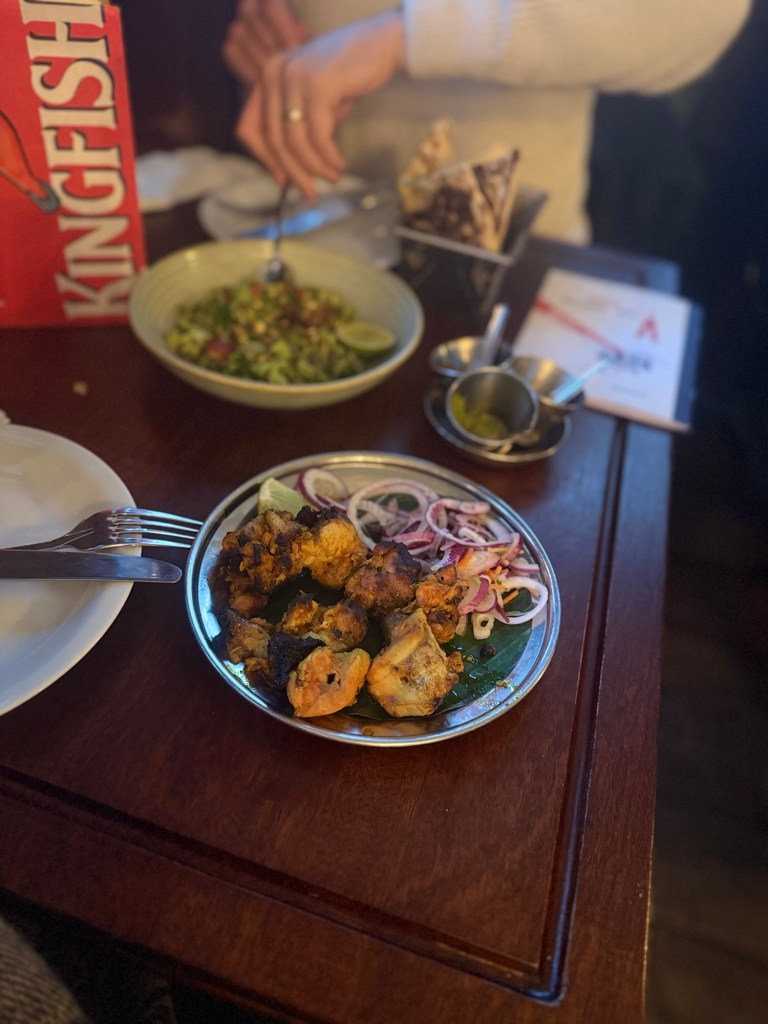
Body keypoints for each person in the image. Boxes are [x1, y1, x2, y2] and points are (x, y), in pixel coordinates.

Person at [224, 0, 750, 244]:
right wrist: (256, 13)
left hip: (500, 264)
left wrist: (405, 37)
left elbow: (699, 15)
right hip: (293, 220)